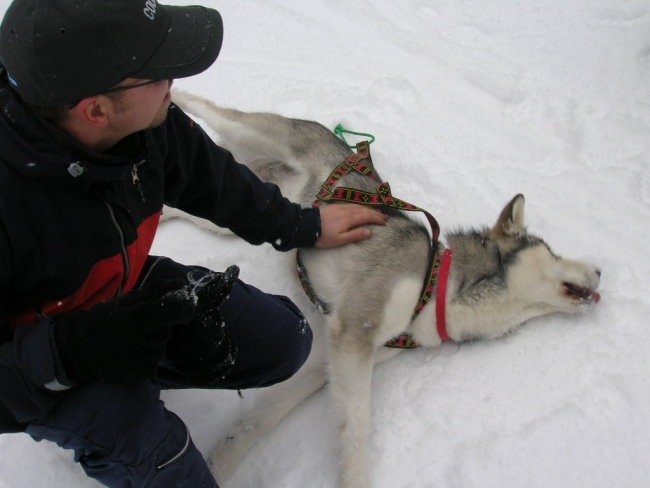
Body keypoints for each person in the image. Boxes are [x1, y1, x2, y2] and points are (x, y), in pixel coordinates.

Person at [0, 1, 386, 486]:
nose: (175, 82)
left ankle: (138, 365)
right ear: (95, 109)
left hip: (122, 290)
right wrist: (73, 354)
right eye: (159, 73)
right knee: (159, 457)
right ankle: (110, 424)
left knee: (283, 342)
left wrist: (302, 225)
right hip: (40, 359)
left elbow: (215, 181)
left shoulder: (146, 125)